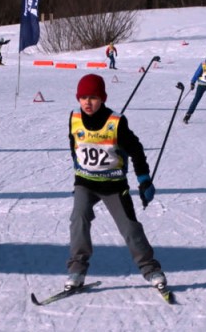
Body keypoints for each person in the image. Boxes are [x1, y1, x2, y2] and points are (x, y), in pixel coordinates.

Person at [64, 73, 167, 292]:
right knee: (78, 219)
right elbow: (74, 145)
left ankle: (150, 269)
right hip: (85, 183)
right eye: (83, 97)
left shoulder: (116, 122)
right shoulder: (74, 117)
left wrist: (144, 180)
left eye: (93, 97)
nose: (87, 102)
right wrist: (78, 172)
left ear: (103, 98)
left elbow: (136, 150)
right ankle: (77, 271)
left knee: (129, 227)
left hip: (113, 185)